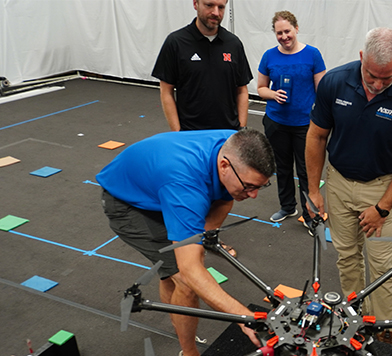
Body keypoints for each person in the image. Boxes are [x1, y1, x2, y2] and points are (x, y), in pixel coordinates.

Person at [305, 27, 392, 345]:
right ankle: (353, 318)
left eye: (386, 79)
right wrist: (313, 190)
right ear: (361, 57)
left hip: (381, 189)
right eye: (371, 75)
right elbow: (316, 136)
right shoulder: (334, 82)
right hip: (337, 182)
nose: (376, 85)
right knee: (346, 256)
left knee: (382, 266)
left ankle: (383, 328)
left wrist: (382, 208)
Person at [97, 129, 275, 356]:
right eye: (249, 186)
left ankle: (180, 317)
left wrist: (202, 239)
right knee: (186, 282)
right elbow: (190, 270)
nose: (254, 195)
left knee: (179, 268)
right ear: (224, 166)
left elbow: (225, 198)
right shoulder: (186, 187)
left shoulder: (235, 145)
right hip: (127, 203)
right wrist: (245, 318)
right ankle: (189, 352)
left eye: (260, 186)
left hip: (159, 186)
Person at [257, 10, 326, 225]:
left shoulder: (312, 54)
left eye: (287, 31)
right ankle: (287, 207)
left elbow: (322, 91)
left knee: (306, 172)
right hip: (277, 122)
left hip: (306, 125)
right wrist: (273, 94)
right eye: (279, 33)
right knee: (283, 168)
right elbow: (260, 88)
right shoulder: (269, 56)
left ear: (296, 29)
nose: (284, 36)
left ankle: (310, 215)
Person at [152, 0, 253, 131]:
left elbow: (242, 90)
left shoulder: (234, 44)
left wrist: (241, 128)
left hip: (228, 134)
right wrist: (178, 133)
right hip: (190, 134)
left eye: (221, 7)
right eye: (209, 5)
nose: (216, 12)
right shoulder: (176, 42)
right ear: (195, 4)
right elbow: (166, 92)